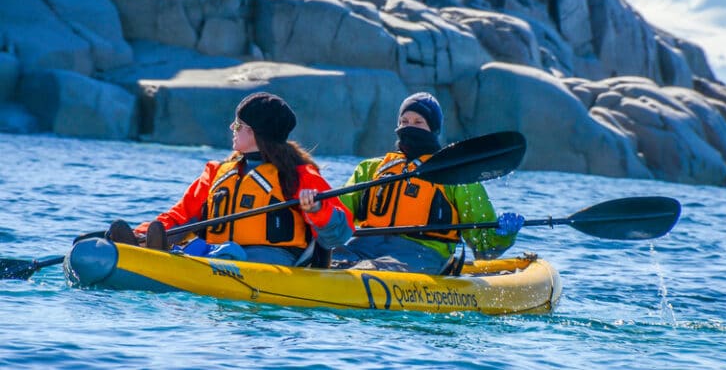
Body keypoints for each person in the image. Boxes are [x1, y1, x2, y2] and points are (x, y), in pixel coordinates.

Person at [107, 92, 354, 267]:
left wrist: (317, 209)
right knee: (206, 249)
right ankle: (141, 247)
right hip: (216, 255)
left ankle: (181, 258)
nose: (231, 128)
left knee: (227, 253)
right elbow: (180, 215)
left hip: (271, 261)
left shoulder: (299, 175)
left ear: (254, 132)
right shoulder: (217, 172)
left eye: (238, 125)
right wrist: (141, 233)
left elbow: (341, 234)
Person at [327, 92, 525, 274]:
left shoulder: (455, 176)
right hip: (363, 247)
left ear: (433, 129)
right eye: (404, 122)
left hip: (422, 254)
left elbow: (484, 247)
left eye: (418, 122)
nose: (409, 127)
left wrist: (503, 234)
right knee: (325, 259)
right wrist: (314, 210)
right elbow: (337, 216)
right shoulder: (370, 169)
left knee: (369, 269)